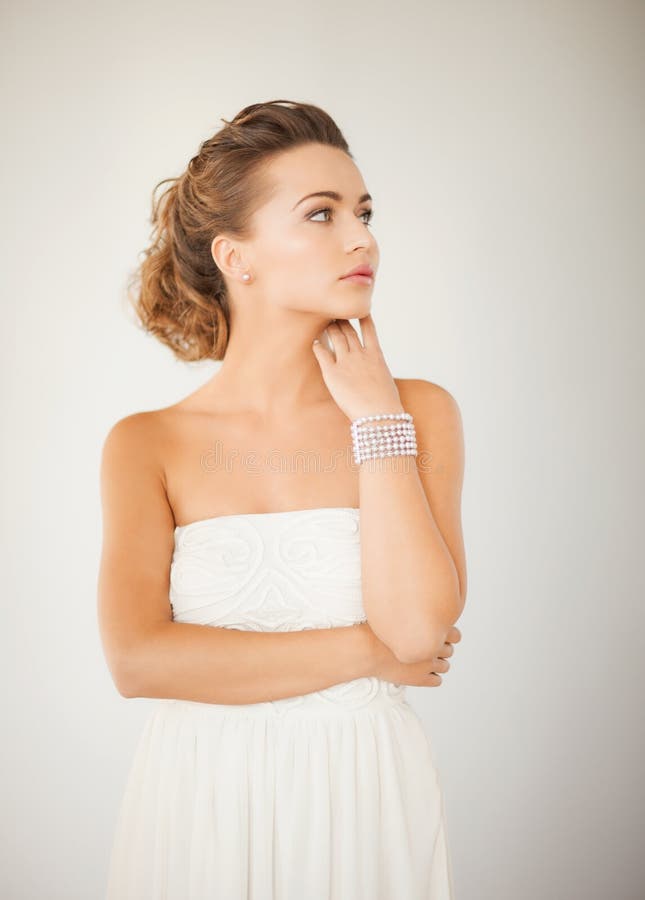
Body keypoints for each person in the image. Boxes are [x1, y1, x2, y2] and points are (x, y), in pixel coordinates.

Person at [98, 98, 467, 899]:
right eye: (321, 214)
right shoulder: (145, 443)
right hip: (200, 804)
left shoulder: (418, 411)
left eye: (364, 212)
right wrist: (364, 655)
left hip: (366, 798)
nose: (362, 236)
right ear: (237, 257)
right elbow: (137, 661)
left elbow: (416, 630)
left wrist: (377, 423)